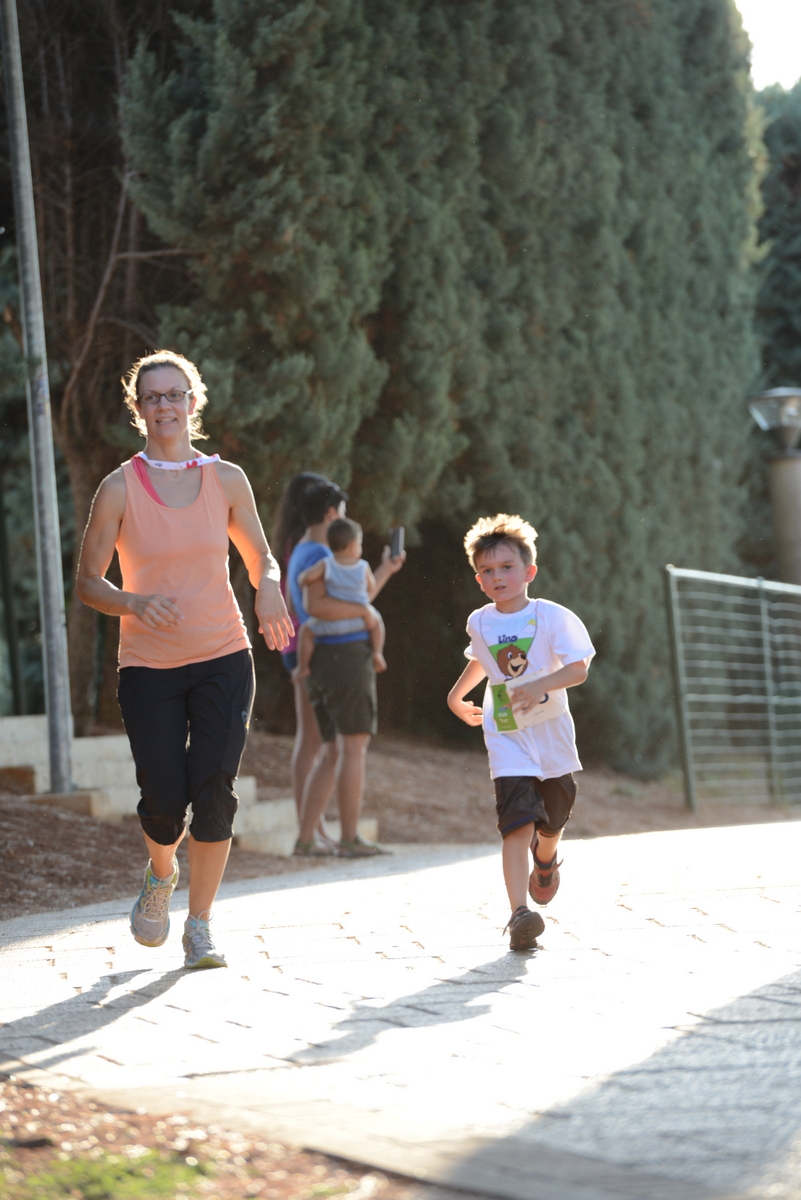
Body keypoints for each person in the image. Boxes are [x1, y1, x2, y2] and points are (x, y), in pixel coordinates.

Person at [76, 350, 292, 969]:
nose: (164, 406)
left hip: (223, 652)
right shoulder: (119, 487)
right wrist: (133, 602)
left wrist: (268, 585)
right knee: (164, 800)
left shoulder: (226, 479)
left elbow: (261, 556)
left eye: (175, 394)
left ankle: (200, 926)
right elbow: (88, 582)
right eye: (152, 397)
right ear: (138, 408)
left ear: (193, 402)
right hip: (149, 666)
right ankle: (161, 873)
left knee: (215, 791)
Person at [447, 514, 595, 951]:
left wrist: (539, 685)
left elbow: (578, 669)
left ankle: (545, 858)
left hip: (551, 733)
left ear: (529, 572)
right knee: (515, 821)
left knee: (555, 811)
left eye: (507, 567)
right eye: (487, 570)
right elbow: (483, 659)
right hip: (506, 732)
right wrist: (456, 696)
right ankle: (518, 914)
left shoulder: (551, 617)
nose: (497, 577)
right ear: (479, 580)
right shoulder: (480, 621)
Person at [287, 480, 405, 857]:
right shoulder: (320, 556)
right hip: (343, 657)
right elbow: (319, 607)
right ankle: (348, 838)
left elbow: (349, 599)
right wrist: (365, 614)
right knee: (352, 747)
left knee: (331, 750)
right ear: (331, 513)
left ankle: (308, 837)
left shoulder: (307, 553)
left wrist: (383, 572)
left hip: (322, 656)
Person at [293, 517, 386, 681]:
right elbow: (370, 587)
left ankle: (303, 667)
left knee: (306, 631)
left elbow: (305, 577)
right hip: (360, 622)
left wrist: (302, 582)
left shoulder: (326, 565)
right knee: (377, 621)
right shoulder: (363, 567)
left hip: (332, 624)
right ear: (353, 545)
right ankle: (378, 653)